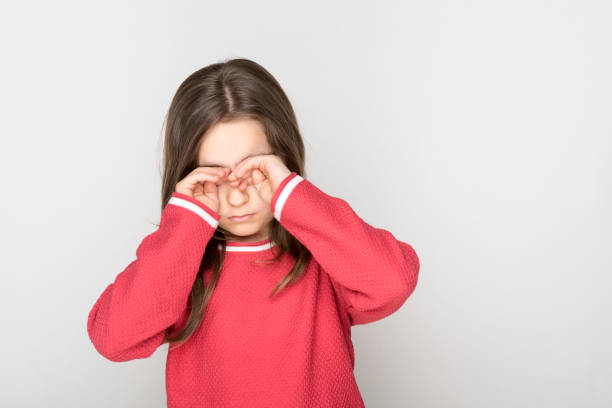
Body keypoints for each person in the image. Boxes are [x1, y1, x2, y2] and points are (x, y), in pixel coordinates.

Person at [86, 57, 420, 408]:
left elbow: (394, 281)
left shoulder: (328, 251)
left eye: (254, 169)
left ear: (283, 162)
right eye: (214, 174)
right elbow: (113, 339)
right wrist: (185, 223)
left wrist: (293, 196)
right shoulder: (179, 265)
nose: (238, 193)